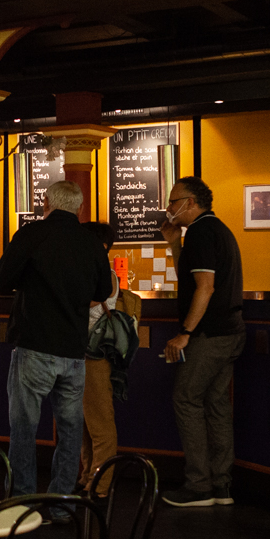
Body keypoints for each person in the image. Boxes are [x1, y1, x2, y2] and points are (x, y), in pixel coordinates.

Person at [0, 180, 112, 500]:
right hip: (73, 351)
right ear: (80, 208)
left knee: (24, 429)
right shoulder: (92, 243)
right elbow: (103, 291)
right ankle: (62, 503)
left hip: (33, 346)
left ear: (45, 203)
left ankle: (23, 500)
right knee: (71, 433)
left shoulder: (31, 234)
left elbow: (0, 280)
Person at [158, 176, 243, 507]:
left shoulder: (201, 232)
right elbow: (192, 278)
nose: (169, 207)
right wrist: (173, 243)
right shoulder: (216, 230)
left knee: (185, 399)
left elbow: (204, 287)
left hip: (208, 334)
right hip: (230, 331)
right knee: (216, 404)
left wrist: (185, 333)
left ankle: (198, 486)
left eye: (173, 201)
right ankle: (221, 486)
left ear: (190, 202)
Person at [79, 222, 142, 494]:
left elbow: (83, 303)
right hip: (86, 354)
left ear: (100, 246)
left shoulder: (101, 273)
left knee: (99, 422)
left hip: (96, 355)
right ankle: (87, 476)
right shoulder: (94, 269)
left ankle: (100, 484)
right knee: (87, 421)